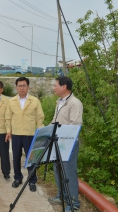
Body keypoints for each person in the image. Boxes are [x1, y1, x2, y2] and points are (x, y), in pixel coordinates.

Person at [48, 76, 83, 212]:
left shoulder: (75, 103)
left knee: (69, 172)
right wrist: (45, 131)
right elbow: (54, 121)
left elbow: (75, 125)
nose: (54, 88)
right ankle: (62, 196)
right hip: (57, 142)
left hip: (68, 144)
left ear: (64, 86)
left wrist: (61, 134)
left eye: (55, 85)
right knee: (57, 170)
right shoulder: (60, 102)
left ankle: (74, 203)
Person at [8, 77, 44, 192]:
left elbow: (39, 118)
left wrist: (40, 132)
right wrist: (9, 131)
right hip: (16, 134)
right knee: (16, 157)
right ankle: (18, 178)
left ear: (28, 87)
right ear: (16, 87)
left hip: (30, 134)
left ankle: (32, 180)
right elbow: (8, 118)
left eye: (24, 85)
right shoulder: (12, 101)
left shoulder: (34, 101)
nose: (22, 88)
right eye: (19, 85)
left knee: (31, 158)